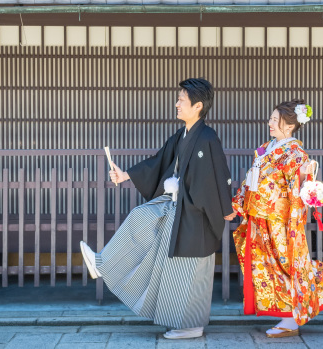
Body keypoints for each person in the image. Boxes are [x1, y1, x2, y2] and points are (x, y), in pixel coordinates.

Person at [80, 78, 233, 340]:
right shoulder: (182, 135)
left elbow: (216, 176)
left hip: (195, 215)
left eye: (181, 100)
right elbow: (159, 160)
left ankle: (191, 326)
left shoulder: (207, 137)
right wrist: (126, 174)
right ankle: (103, 263)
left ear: (197, 106)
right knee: (142, 218)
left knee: (186, 272)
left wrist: (224, 207)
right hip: (178, 208)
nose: (176, 104)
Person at [228, 100, 323, 338]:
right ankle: (288, 316)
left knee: (287, 264)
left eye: (275, 119)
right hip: (258, 216)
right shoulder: (266, 147)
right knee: (267, 267)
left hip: (280, 220)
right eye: (271, 118)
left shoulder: (295, 153)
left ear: (290, 125)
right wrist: (238, 204)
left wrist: (307, 178)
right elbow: (251, 179)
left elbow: (299, 187)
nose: (270, 123)